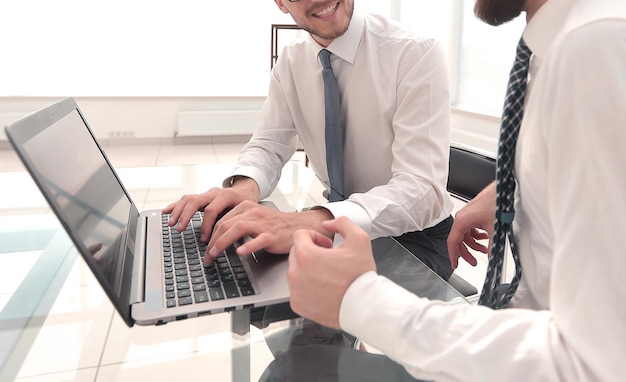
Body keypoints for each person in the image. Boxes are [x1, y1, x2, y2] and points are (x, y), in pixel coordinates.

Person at [287, 0, 626, 380]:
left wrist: (358, 300)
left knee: (294, 368)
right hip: (511, 329)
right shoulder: (564, 45)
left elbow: (594, 364)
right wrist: (513, 188)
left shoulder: (594, 44)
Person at [163, 0, 455, 280]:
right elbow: (269, 144)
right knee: (253, 285)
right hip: (334, 225)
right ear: (280, 3)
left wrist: (311, 221)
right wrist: (245, 187)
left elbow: (422, 190)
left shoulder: (415, 53)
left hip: (414, 240)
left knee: (315, 304)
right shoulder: (290, 62)